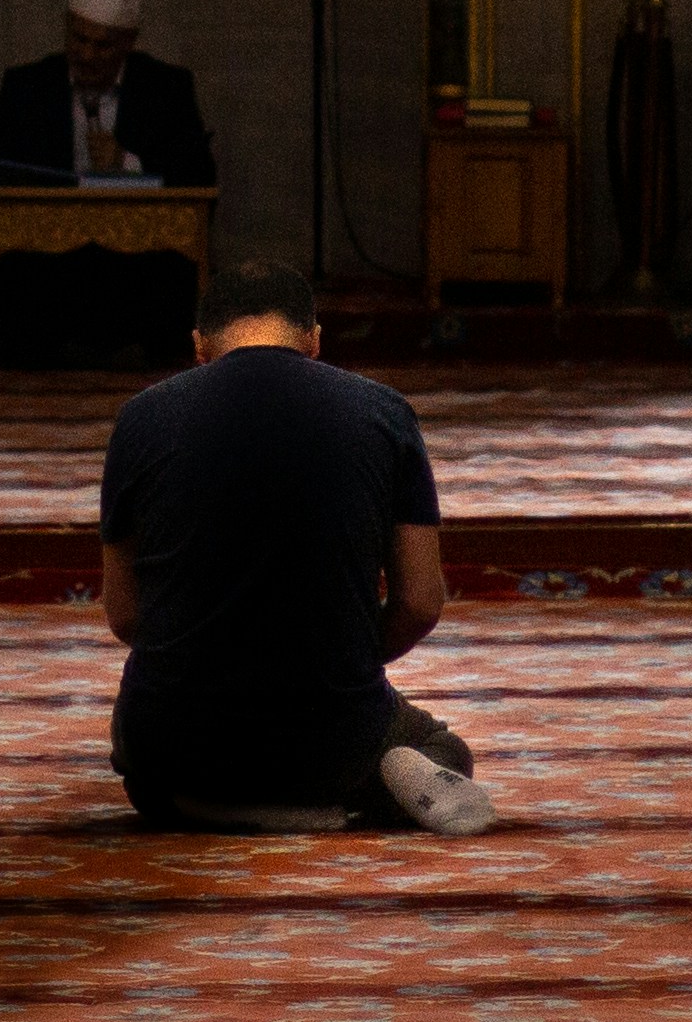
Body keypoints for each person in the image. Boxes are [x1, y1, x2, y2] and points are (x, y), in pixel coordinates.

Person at [95, 258, 495, 835]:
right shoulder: (385, 414)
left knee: (141, 761)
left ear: (200, 347)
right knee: (444, 749)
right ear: (313, 340)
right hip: (331, 734)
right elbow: (421, 602)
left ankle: (204, 806)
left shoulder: (139, 419)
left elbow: (126, 613)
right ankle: (351, 799)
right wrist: (330, 665)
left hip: (178, 741)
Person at [0, 0, 221, 187]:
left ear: (129, 42)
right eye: (79, 39)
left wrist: (126, 164)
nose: (87, 55)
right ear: (66, 27)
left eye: (103, 46)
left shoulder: (165, 89)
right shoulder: (27, 88)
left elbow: (199, 181)